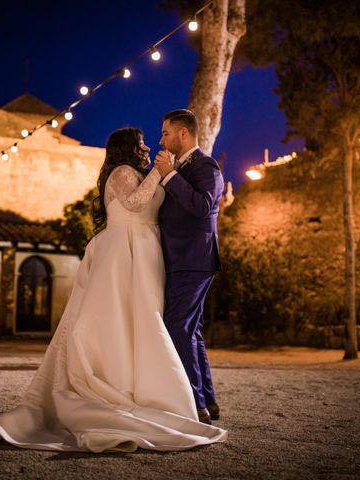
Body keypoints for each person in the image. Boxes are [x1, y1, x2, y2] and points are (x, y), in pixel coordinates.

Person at [0, 127, 226, 452]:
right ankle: (117, 388)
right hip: (125, 251)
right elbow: (135, 202)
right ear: (127, 147)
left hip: (147, 252)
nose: (146, 146)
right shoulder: (121, 172)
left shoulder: (145, 171)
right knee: (121, 317)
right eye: (140, 142)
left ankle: (150, 390)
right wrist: (159, 171)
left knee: (144, 319)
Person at [153, 109, 224, 425]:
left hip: (194, 259)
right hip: (180, 259)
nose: (161, 140)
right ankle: (207, 401)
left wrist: (169, 175)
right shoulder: (180, 167)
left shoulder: (206, 166)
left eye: (166, 133)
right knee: (191, 330)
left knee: (177, 327)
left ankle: (195, 406)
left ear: (184, 133)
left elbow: (202, 206)